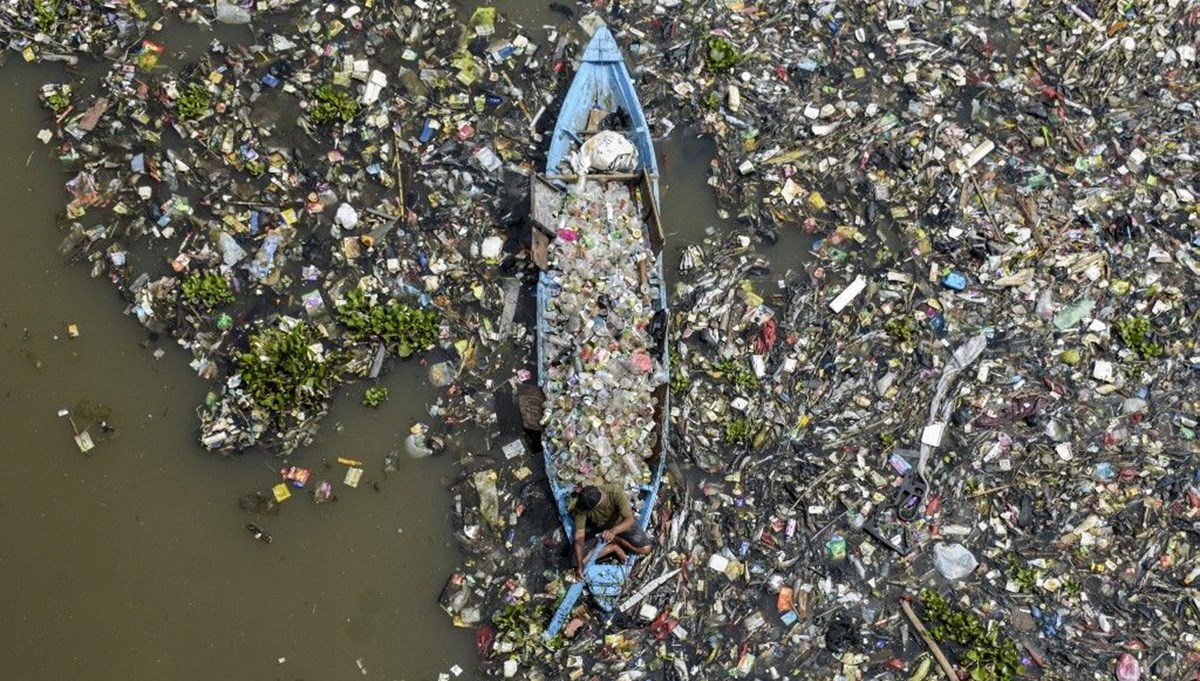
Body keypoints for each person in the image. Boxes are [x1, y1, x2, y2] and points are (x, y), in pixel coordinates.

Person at [571, 483, 652, 578]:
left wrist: (613, 531)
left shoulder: (614, 492)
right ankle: (613, 547)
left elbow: (630, 519)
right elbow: (579, 536)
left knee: (645, 549)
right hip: (600, 528)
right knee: (576, 561)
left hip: (621, 524)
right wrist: (580, 565)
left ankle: (615, 539)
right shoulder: (582, 507)